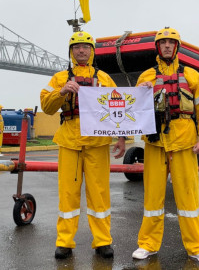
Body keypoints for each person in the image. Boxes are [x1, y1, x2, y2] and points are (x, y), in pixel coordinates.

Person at [40, 31, 126, 260]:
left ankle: (103, 241)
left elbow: (119, 109)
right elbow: (47, 107)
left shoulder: (105, 78)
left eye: (86, 47)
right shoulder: (59, 78)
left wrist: (121, 137)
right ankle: (64, 242)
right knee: (68, 194)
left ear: (92, 51)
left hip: (97, 142)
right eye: (77, 47)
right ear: (71, 50)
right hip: (70, 141)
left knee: (100, 194)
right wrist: (61, 92)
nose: (81, 50)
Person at [132, 27, 199, 263]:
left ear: (177, 47)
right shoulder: (145, 77)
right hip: (155, 143)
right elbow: (134, 110)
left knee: (189, 198)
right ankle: (147, 244)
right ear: (157, 48)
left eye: (171, 42)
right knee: (152, 199)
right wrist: (140, 93)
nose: (167, 46)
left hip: (184, 142)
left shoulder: (192, 75)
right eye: (163, 43)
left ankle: (197, 247)